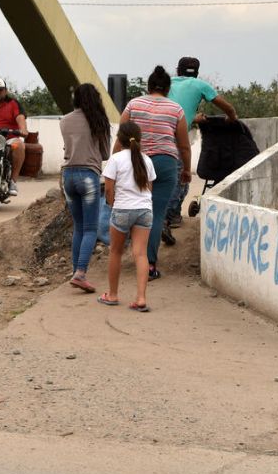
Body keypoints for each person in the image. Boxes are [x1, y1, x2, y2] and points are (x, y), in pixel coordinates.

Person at [119, 65, 191, 281]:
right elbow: (184, 146)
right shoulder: (176, 109)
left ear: (148, 87)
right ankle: (149, 265)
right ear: (168, 90)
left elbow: (120, 137)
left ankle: (132, 255)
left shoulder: (133, 104)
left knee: (135, 207)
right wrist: (186, 169)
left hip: (136, 162)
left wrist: (113, 165)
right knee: (156, 213)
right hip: (165, 163)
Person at [165, 56, 237, 231]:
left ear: (177, 70)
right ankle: (171, 216)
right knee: (181, 176)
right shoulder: (200, 85)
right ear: (196, 73)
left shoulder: (166, 84)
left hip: (155, 133)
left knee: (163, 177)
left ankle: (160, 214)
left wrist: (193, 119)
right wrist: (232, 117)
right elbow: (226, 107)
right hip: (175, 136)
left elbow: (176, 108)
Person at [100, 121, 157, 311]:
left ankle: (113, 295)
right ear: (139, 139)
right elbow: (150, 188)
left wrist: (112, 203)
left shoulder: (115, 160)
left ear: (119, 139)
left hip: (123, 209)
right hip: (145, 210)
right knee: (140, 254)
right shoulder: (146, 160)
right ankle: (141, 298)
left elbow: (108, 188)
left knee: (116, 252)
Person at [60, 83, 111, 292]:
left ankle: (75, 272)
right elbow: (106, 154)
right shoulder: (98, 121)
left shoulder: (64, 120)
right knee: (91, 228)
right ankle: (80, 273)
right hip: (89, 176)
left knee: (79, 227)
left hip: (68, 176)